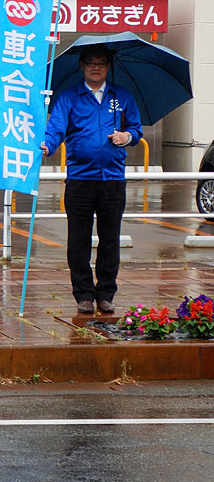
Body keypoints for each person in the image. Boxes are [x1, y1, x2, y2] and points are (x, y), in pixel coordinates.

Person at [41, 45, 142, 315]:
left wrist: (127, 137)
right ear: (81, 66)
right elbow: (56, 129)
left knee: (110, 239)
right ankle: (84, 294)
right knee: (79, 240)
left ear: (109, 66)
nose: (96, 67)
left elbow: (136, 128)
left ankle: (106, 293)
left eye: (101, 63)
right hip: (80, 180)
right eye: (91, 63)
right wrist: (47, 146)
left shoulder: (121, 96)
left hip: (112, 180)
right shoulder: (69, 97)